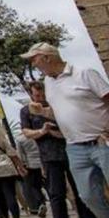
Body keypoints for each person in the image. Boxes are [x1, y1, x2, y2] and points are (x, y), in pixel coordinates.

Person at [23, 42, 109, 217]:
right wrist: (43, 112)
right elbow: (60, 113)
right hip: (75, 147)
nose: (33, 64)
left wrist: (107, 131)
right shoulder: (49, 82)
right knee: (88, 196)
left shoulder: (84, 73)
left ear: (47, 57)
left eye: (35, 59)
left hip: (101, 142)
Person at [20, 78, 96, 218]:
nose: (41, 98)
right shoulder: (26, 111)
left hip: (70, 149)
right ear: (31, 95)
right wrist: (43, 131)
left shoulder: (54, 105)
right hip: (49, 155)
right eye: (37, 96)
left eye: (42, 95)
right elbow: (26, 132)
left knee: (81, 189)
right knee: (56, 192)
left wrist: (57, 132)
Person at [16, 132, 46, 215]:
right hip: (41, 162)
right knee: (41, 184)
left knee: (33, 186)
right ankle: (44, 201)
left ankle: (40, 203)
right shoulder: (37, 134)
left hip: (30, 165)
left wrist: (21, 166)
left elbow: (20, 154)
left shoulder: (20, 139)